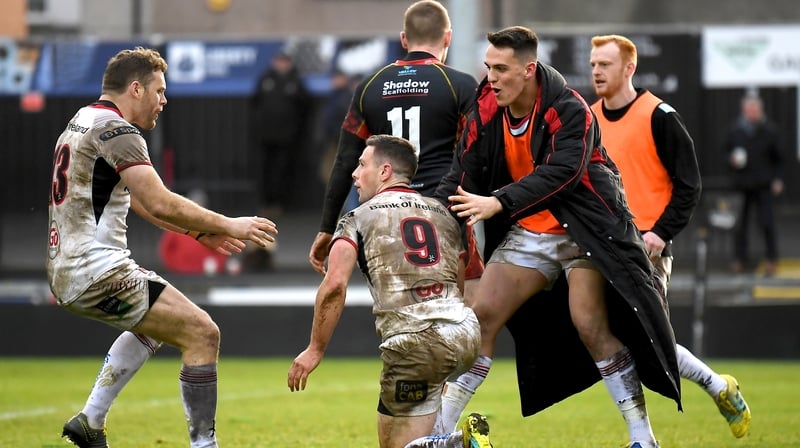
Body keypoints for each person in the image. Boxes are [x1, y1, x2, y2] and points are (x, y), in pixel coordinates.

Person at [434, 26, 681, 448]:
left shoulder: (570, 108)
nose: (491, 78)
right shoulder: (485, 108)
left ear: (529, 70)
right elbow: (459, 174)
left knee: (589, 322)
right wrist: (421, 214)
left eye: (501, 69)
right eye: (488, 67)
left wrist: (498, 202)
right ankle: (441, 434)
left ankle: (643, 437)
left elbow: (563, 173)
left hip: (585, 230)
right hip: (530, 228)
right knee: (481, 318)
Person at [47, 47, 278, 448]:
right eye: (159, 90)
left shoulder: (82, 121)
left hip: (70, 268)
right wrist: (228, 222)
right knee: (203, 333)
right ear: (136, 89)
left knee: (156, 328)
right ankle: (204, 445)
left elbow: (135, 199)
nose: (164, 100)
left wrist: (194, 233)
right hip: (97, 270)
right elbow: (159, 200)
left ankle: (90, 420)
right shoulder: (118, 131)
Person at [589, 34, 752, 438]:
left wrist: (661, 233)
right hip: (598, 247)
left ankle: (714, 387)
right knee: (599, 332)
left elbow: (689, 185)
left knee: (646, 339)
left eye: (605, 64)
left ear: (629, 68)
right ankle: (649, 431)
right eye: (593, 64)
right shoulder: (587, 118)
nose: (596, 71)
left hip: (646, 246)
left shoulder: (659, 115)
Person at [288, 135, 491, 448]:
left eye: (361, 165)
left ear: (384, 172)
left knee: (394, 445)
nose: (354, 174)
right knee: (420, 435)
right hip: (464, 334)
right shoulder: (444, 212)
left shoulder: (358, 217)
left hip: (416, 343)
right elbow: (463, 276)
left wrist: (315, 349)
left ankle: (457, 444)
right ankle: (447, 442)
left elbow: (334, 285)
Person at [309, 0, 479, 283]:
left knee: (395, 305)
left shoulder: (369, 86)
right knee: (456, 307)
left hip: (386, 217)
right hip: (443, 212)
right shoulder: (459, 84)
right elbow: (476, 154)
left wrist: (327, 227)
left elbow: (344, 160)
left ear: (403, 39)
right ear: (448, 37)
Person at [723, 91, 785, 276]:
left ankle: (771, 259)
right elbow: (724, 154)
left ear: (761, 109)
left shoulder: (770, 131)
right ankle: (740, 260)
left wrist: (778, 179)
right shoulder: (735, 131)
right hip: (742, 185)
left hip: (764, 184)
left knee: (767, 223)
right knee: (740, 225)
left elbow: (779, 159)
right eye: (749, 109)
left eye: (755, 109)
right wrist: (732, 160)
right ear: (744, 110)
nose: (753, 113)